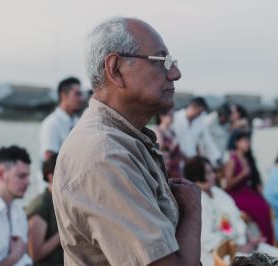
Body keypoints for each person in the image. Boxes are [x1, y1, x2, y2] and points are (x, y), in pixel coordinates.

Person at [52, 17, 201, 266]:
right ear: (116, 69)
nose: (175, 73)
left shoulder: (125, 140)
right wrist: (192, 212)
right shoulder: (104, 155)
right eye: (161, 61)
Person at [183, 156, 278, 266]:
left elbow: (236, 216)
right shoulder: (196, 202)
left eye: (212, 172)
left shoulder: (218, 192)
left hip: (244, 244)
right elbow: (207, 239)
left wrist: (250, 239)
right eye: (208, 173)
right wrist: (238, 247)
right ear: (196, 177)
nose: (213, 176)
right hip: (221, 254)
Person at [224, 131, 273, 245]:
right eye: (245, 141)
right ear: (236, 143)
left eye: (248, 140)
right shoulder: (233, 159)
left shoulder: (247, 157)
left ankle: (268, 241)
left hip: (246, 191)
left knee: (265, 205)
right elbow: (228, 184)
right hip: (235, 194)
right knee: (261, 208)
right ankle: (263, 241)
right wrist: (243, 174)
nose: (248, 143)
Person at [0, 145, 32, 266]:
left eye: (28, 176)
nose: (28, 182)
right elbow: (18, 255)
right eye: (21, 176)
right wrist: (15, 256)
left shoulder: (18, 211)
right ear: (1, 173)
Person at [26, 154, 63, 265]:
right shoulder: (41, 205)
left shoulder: (63, 200)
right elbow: (35, 254)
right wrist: (65, 230)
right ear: (50, 177)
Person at [39, 77, 84, 161]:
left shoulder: (79, 122)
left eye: (81, 94)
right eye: (77, 94)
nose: (81, 99)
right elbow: (49, 160)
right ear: (63, 95)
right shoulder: (51, 124)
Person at [172, 97, 222, 166]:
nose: (201, 114)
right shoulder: (175, 118)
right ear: (193, 107)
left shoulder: (200, 122)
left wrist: (217, 157)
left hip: (191, 162)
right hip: (176, 161)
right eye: (200, 111)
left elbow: (208, 141)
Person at [154, 109, 185, 179]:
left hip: (176, 167)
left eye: (172, 115)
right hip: (166, 168)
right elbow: (159, 151)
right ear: (161, 116)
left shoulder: (172, 132)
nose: (172, 117)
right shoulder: (158, 131)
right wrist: (173, 145)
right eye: (169, 115)